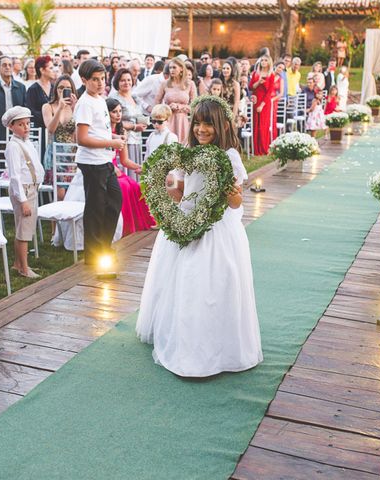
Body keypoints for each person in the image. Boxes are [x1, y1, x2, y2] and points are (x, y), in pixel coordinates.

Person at [136, 96, 262, 377]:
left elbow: (236, 202)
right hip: (185, 223)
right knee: (181, 282)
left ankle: (215, 347)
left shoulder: (228, 156)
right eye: (198, 124)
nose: (201, 130)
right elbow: (180, 188)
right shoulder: (187, 152)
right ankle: (182, 339)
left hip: (215, 229)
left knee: (209, 285)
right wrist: (166, 193)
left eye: (208, 124)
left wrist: (232, 196)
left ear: (221, 126)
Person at [74, 59, 124, 265]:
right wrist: (111, 141)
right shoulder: (85, 102)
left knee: (115, 201)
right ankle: (94, 255)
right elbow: (82, 139)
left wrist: (113, 141)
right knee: (96, 208)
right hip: (92, 162)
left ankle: (104, 246)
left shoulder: (101, 99)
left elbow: (99, 130)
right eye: (95, 80)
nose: (100, 83)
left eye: (102, 78)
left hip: (104, 159)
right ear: (84, 80)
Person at [3, 106, 45, 278]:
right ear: (11, 126)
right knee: (24, 231)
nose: (26, 127)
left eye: (28, 123)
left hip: (31, 189)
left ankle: (17, 263)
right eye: (21, 124)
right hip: (24, 192)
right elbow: (15, 177)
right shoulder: (13, 146)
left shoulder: (26, 142)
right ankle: (24, 268)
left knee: (23, 227)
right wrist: (23, 200)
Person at [106, 98, 155, 235]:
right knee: (124, 187)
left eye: (120, 111)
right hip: (105, 167)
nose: (118, 114)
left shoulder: (122, 131)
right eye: (114, 112)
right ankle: (123, 228)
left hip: (117, 170)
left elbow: (125, 160)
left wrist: (140, 167)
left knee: (136, 186)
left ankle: (136, 226)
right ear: (106, 113)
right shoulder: (103, 130)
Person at [42, 74, 78, 198]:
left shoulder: (76, 107)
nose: (63, 91)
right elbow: (51, 129)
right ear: (55, 89)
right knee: (61, 196)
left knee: (72, 195)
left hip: (72, 156)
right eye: (60, 88)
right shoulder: (48, 107)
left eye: (67, 88)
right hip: (54, 155)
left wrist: (74, 109)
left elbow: (78, 136)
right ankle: (55, 218)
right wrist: (60, 108)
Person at [109, 68, 147, 169]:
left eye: (129, 80)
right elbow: (112, 120)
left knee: (137, 168)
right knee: (126, 167)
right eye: (123, 80)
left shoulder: (134, 97)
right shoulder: (114, 98)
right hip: (123, 139)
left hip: (137, 139)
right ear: (117, 82)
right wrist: (134, 126)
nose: (126, 83)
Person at [155, 57, 196, 144]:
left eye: (174, 67)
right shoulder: (164, 83)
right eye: (170, 68)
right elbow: (157, 104)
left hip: (182, 121)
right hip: (168, 120)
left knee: (182, 147)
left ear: (181, 68)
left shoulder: (190, 84)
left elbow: (195, 106)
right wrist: (166, 108)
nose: (171, 70)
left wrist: (179, 106)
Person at [249, 54, 275, 155]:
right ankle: (255, 148)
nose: (263, 62)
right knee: (256, 124)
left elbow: (269, 92)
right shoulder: (256, 73)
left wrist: (262, 105)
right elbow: (251, 87)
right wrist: (259, 82)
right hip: (256, 100)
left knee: (263, 125)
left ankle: (264, 148)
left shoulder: (271, 75)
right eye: (262, 60)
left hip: (265, 102)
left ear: (269, 62)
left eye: (265, 60)